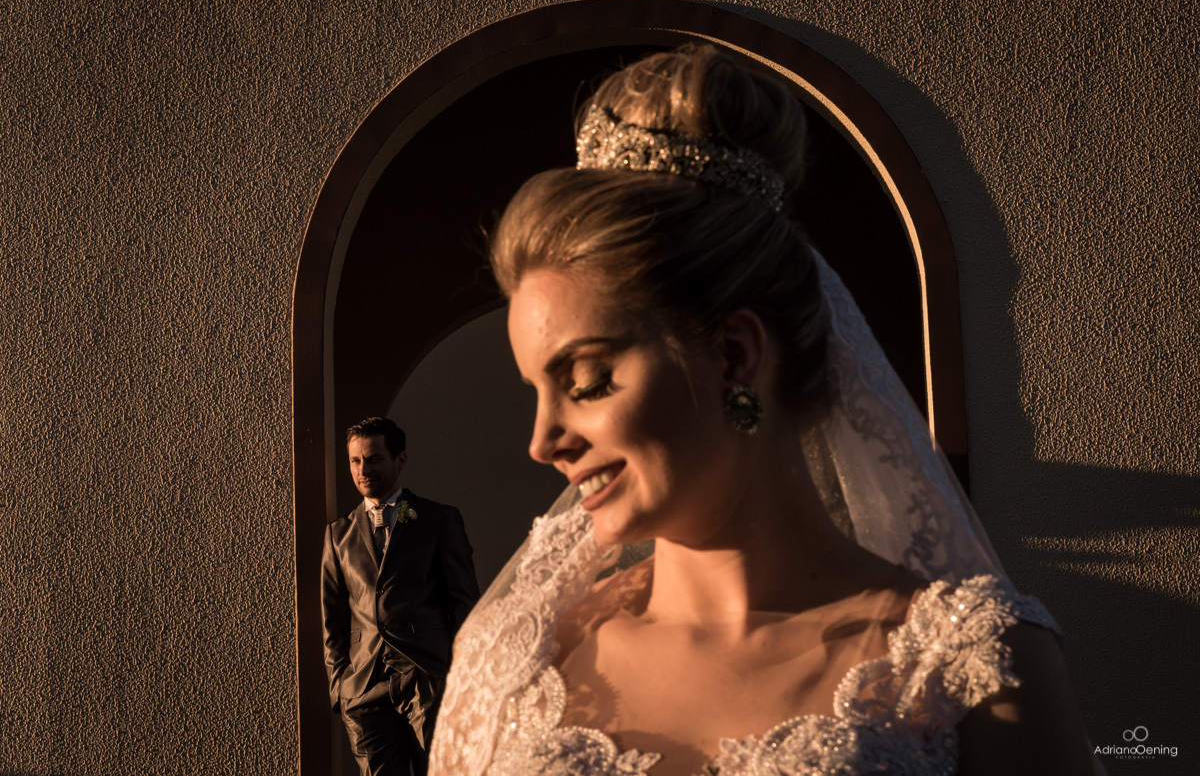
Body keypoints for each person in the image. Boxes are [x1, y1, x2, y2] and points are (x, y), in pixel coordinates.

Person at [430, 46, 1102, 776]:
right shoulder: (514, 662)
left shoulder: (977, 672)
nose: (542, 440)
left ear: (735, 354)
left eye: (587, 379)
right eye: (536, 388)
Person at [323, 416, 480, 776]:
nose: (363, 469)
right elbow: (332, 619)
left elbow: (465, 604)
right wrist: (340, 689)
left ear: (400, 460)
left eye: (374, 458)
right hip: (363, 688)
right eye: (355, 461)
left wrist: (459, 676)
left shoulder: (439, 519)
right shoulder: (338, 535)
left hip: (427, 678)